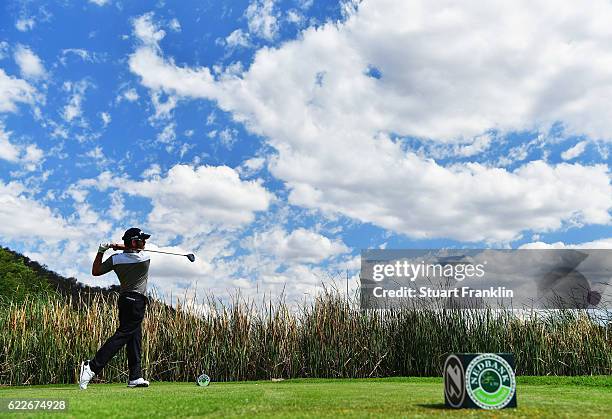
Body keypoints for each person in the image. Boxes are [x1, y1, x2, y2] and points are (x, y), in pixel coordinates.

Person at [79, 227, 152, 390]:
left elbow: (95, 271)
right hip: (137, 301)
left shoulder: (116, 259)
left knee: (134, 338)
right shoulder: (144, 259)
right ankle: (92, 366)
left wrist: (101, 250)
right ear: (134, 242)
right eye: (142, 240)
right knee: (123, 335)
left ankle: (135, 376)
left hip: (124, 300)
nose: (145, 243)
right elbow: (134, 250)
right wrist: (119, 246)